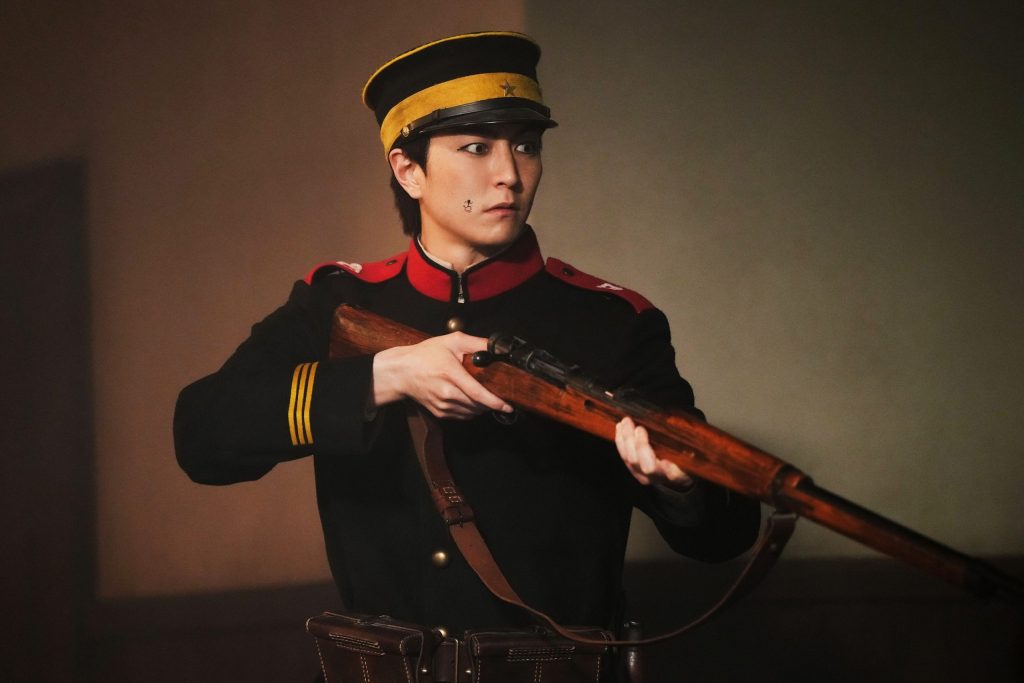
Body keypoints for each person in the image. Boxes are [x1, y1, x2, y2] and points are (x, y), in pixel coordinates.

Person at [174, 30, 759, 653]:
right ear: (409, 171)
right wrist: (385, 376)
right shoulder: (336, 303)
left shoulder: (611, 322)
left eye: (526, 146)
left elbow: (725, 536)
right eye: (476, 147)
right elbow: (203, 436)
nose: (510, 175)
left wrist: (678, 486)